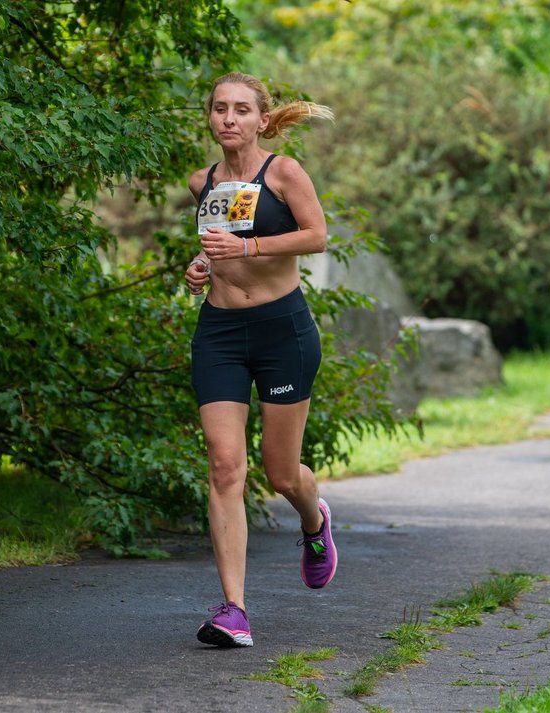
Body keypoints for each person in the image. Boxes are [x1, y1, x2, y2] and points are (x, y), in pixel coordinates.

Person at [183, 72, 337, 647]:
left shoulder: (283, 172)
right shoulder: (202, 182)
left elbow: (317, 234)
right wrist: (201, 267)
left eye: (241, 109)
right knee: (225, 466)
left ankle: (315, 520)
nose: (229, 118)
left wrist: (248, 247)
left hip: (282, 332)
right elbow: (214, 248)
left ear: (261, 119)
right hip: (219, 331)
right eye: (220, 108)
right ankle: (234, 611)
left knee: (280, 473)